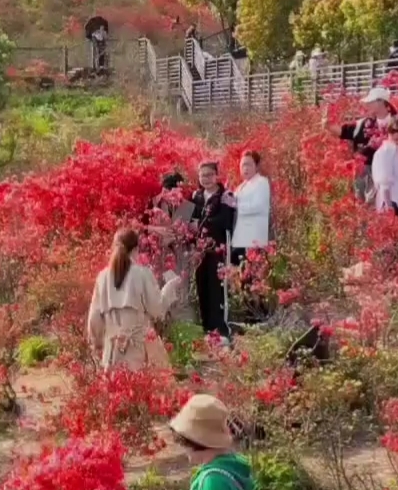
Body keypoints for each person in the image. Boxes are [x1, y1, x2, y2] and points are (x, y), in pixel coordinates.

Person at [87, 228, 180, 371]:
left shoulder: (102, 277)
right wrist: (169, 288)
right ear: (136, 249)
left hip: (111, 351)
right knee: (140, 389)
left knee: (115, 390)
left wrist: (97, 343)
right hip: (138, 349)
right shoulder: (142, 274)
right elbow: (157, 309)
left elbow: (94, 318)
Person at [190, 162, 236, 339]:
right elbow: (190, 220)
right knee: (202, 286)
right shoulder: (196, 196)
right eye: (202, 176)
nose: (206, 179)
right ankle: (206, 328)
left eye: (209, 175)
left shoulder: (226, 195)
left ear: (217, 175)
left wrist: (203, 224)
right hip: (200, 251)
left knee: (218, 288)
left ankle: (221, 330)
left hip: (218, 249)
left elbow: (225, 221)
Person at [339, 86, 395, 202]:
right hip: (362, 169)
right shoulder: (364, 123)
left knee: (375, 203)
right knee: (361, 203)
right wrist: (327, 122)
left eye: (371, 102)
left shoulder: (396, 122)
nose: (368, 105)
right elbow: (342, 131)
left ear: (381, 102)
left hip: (385, 170)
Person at [230, 150, 271, 264]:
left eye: (249, 164)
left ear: (256, 166)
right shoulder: (240, 187)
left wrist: (235, 204)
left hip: (253, 238)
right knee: (239, 275)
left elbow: (258, 206)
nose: (245, 168)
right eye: (243, 165)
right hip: (239, 237)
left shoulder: (261, 182)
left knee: (252, 274)